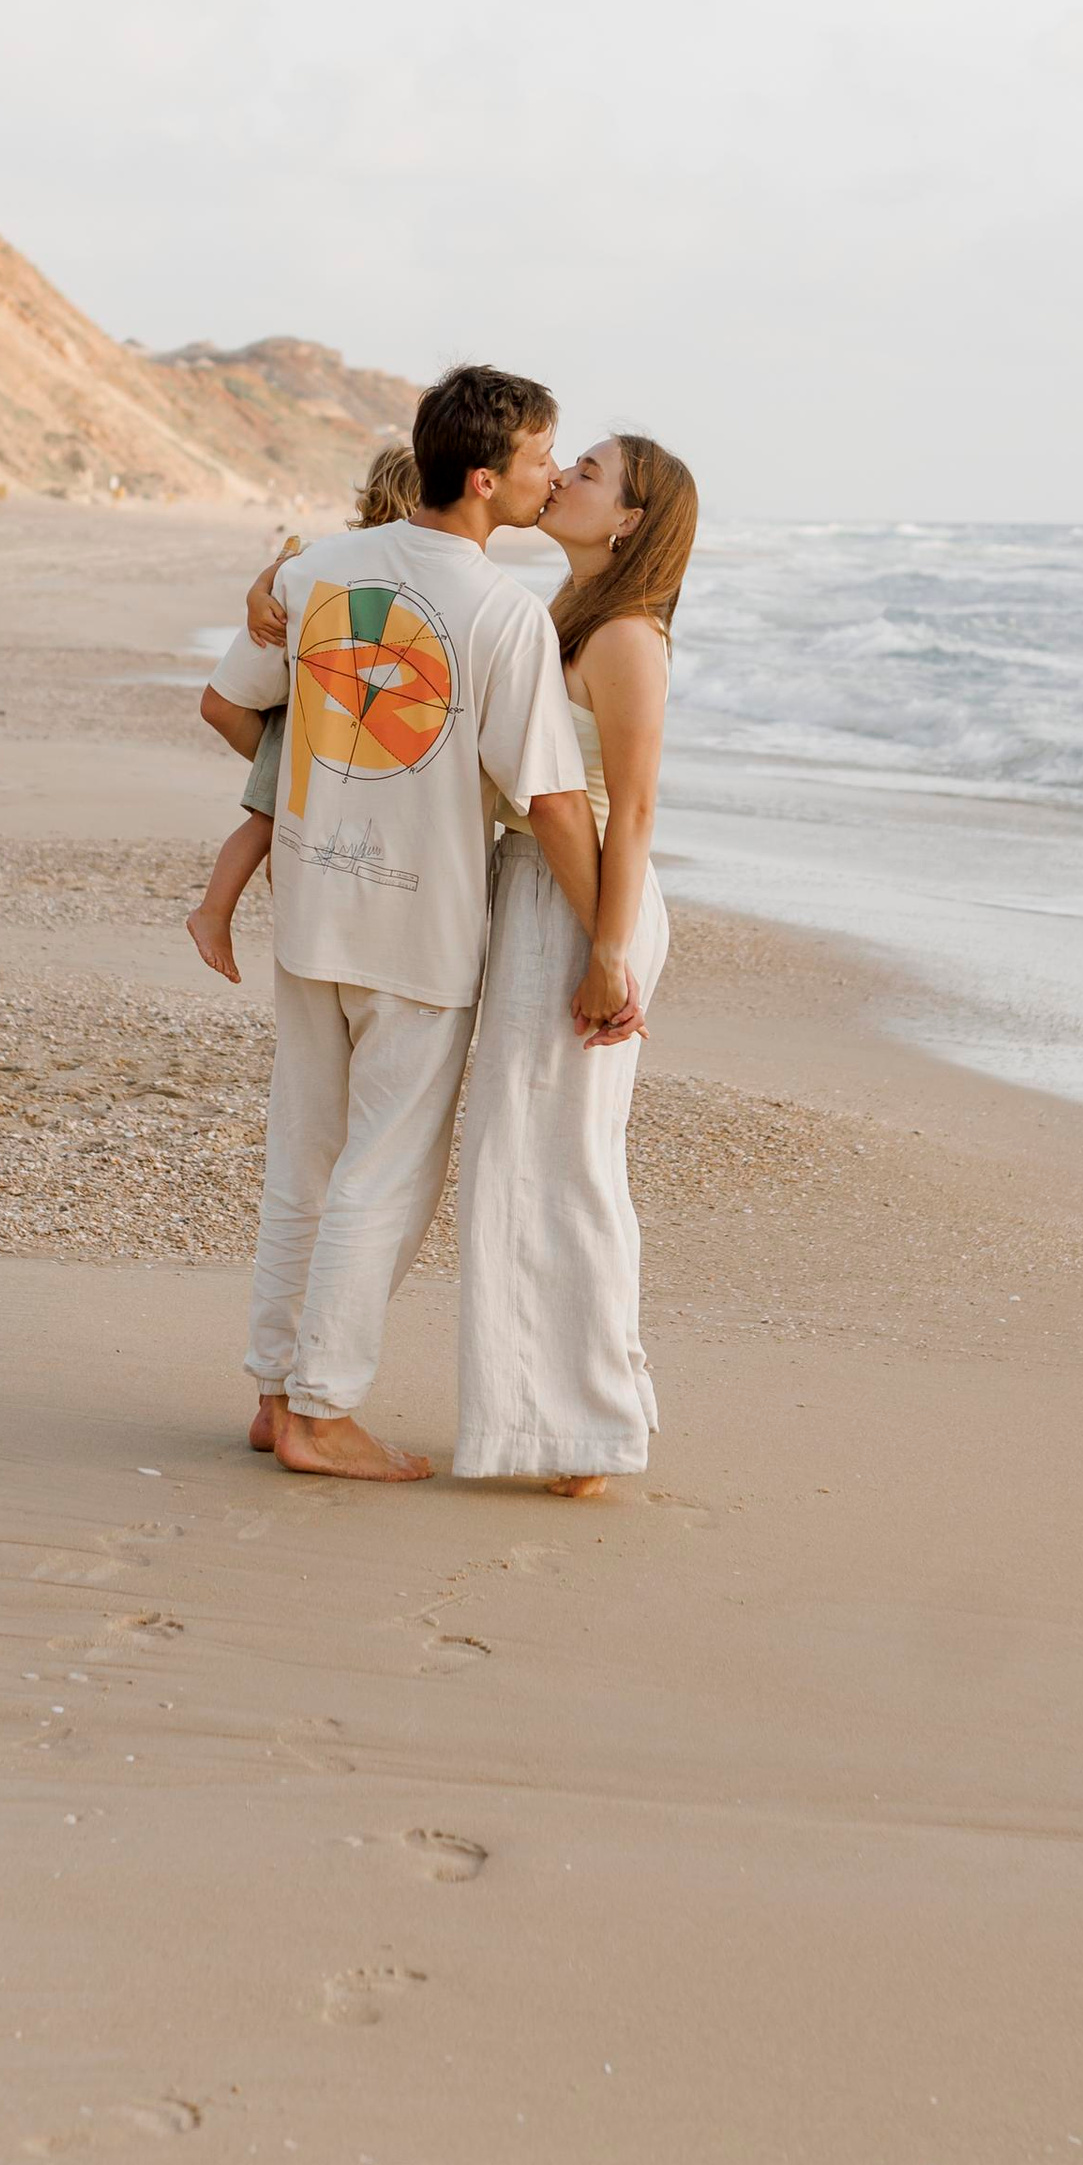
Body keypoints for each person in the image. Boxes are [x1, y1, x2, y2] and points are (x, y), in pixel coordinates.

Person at [198, 366, 615, 1484]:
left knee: (306, 1161)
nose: (550, 476)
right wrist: (609, 944)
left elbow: (232, 703)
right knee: (382, 1173)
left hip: (312, 911)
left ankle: (275, 1389)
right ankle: (322, 1414)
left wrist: (335, 794)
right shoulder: (501, 614)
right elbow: (554, 803)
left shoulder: (314, 571)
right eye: (540, 459)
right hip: (418, 931)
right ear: (484, 479)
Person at [451, 433, 698, 1496]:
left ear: (632, 520)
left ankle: (585, 1426)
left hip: (590, 903)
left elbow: (633, 811)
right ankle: (567, 1410)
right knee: (524, 1160)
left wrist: (607, 952)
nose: (563, 480)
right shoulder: (566, 617)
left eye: (588, 474)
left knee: (563, 1167)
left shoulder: (628, 640)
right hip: (544, 893)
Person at [186, 442, 419, 987]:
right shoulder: (339, 555)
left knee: (282, 829)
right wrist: (255, 593)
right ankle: (212, 914)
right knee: (267, 824)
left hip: (327, 717)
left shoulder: (354, 556)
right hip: (306, 722)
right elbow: (283, 569)